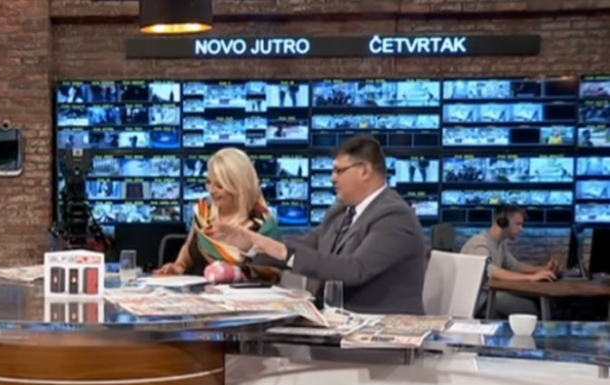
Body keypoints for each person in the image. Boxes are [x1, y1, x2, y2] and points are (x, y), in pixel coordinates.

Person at [207, 135, 426, 314]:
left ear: (364, 171)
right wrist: (251, 244)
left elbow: (355, 269)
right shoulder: (340, 212)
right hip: (332, 325)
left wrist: (284, 253)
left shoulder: (395, 216)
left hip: (375, 334)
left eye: (339, 171)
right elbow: (306, 246)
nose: (332, 178)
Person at [155, 147, 281, 283]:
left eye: (219, 186)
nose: (211, 190)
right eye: (209, 183)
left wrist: (247, 250)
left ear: (238, 187)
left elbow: (273, 274)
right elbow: (189, 248)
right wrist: (178, 266)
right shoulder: (204, 211)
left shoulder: (263, 224)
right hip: (197, 292)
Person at [460, 205, 559, 318]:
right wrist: (531, 278)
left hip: (490, 294)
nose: (521, 229)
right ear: (502, 222)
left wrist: (543, 269)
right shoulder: (479, 243)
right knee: (529, 308)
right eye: (518, 224)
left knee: (539, 301)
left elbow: (514, 266)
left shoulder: (499, 244)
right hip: (478, 300)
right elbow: (491, 271)